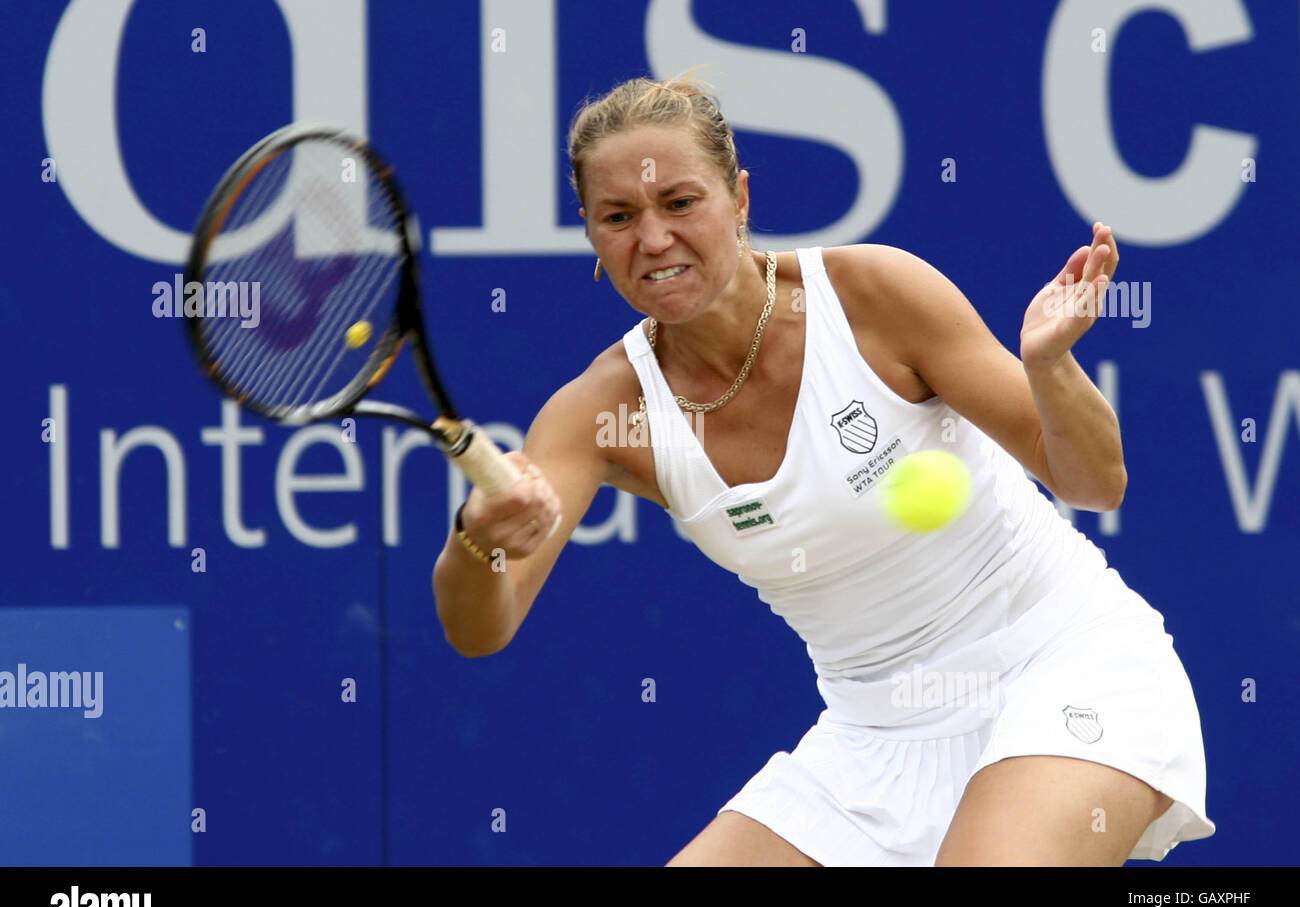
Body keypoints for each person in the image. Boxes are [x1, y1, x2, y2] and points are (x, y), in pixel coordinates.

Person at [432, 74, 1215, 866]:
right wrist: (476, 538)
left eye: (679, 202)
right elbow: (483, 626)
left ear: (739, 198)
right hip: (871, 740)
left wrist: (1048, 368)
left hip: (1061, 666)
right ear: (592, 233)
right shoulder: (601, 411)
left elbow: (1095, 483)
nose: (654, 238)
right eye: (619, 217)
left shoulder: (874, 294)